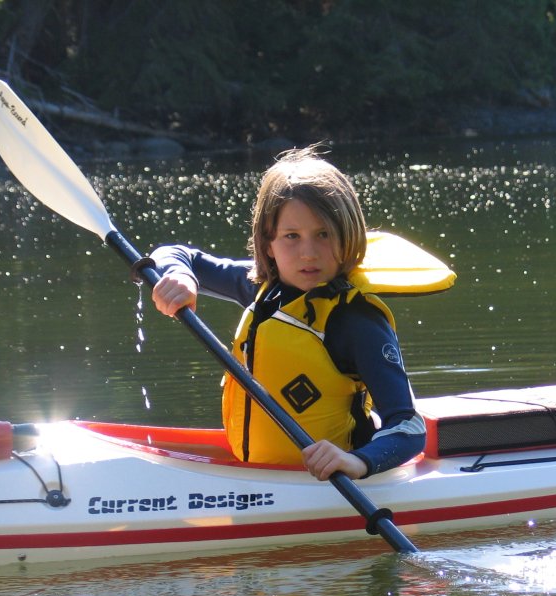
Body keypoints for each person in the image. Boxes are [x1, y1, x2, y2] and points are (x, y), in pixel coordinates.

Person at [150, 147, 426, 481]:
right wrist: (181, 277)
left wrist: (358, 462)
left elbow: (409, 426)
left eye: (323, 234)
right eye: (291, 236)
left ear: (348, 236)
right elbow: (176, 254)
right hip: (257, 475)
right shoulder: (261, 287)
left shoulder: (356, 321)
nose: (308, 253)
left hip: (332, 482)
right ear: (269, 244)